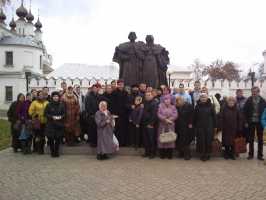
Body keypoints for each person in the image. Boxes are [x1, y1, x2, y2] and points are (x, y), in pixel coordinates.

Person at [243, 86, 266, 160]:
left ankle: (260, 155)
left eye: (255, 92)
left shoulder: (263, 101)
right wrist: (246, 121)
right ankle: (251, 154)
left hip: (260, 122)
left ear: (258, 92)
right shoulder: (248, 100)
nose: (254, 93)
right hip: (251, 122)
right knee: (251, 139)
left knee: (260, 139)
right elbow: (244, 111)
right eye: (253, 92)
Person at [194, 93, 216, 161]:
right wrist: (195, 125)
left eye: (204, 97)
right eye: (202, 97)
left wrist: (215, 126)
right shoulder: (197, 106)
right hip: (200, 126)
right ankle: (202, 154)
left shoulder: (211, 106)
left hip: (209, 126)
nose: (203, 98)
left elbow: (214, 117)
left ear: (207, 98)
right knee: (201, 141)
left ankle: (207, 154)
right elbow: (195, 117)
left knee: (208, 141)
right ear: (200, 98)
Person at [44, 91, 66, 157]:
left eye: (57, 96)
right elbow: (45, 114)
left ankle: (56, 152)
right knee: (50, 139)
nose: (56, 98)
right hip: (51, 124)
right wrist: (52, 117)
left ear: (59, 97)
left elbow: (64, 114)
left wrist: (61, 117)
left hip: (59, 124)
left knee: (58, 139)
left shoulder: (61, 105)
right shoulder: (48, 105)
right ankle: (52, 152)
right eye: (54, 96)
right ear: (52, 97)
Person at [157, 95, 178, 159]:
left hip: (170, 125)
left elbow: (175, 114)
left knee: (170, 139)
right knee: (162, 138)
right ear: (163, 100)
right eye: (165, 99)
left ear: (170, 100)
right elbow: (158, 114)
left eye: (168, 99)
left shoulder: (173, 107)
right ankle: (162, 154)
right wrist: (164, 119)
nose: (167, 101)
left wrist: (170, 119)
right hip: (162, 125)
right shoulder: (160, 107)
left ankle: (169, 155)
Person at [112, 80, 129, 146]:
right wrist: (113, 113)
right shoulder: (114, 92)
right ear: (118, 85)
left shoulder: (126, 93)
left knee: (124, 128)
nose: (121, 85)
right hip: (117, 114)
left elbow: (127, 103)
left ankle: (123, 142)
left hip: (124, 114)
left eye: (122, 84)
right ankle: (117, 142)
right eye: (120, 84)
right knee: (117, 129)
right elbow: (113, 104)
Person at [141, 91, 158, 158]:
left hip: (151, 124)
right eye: (146, 95)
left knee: (151, 139)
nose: (147, 96)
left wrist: (151, 124)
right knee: (146, 139)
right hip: (144, 123)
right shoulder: (144, 103)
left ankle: (152, 153)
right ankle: (147, 152)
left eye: (149, 95)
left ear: (152, 95)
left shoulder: (154, 103)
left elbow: (154, 115)